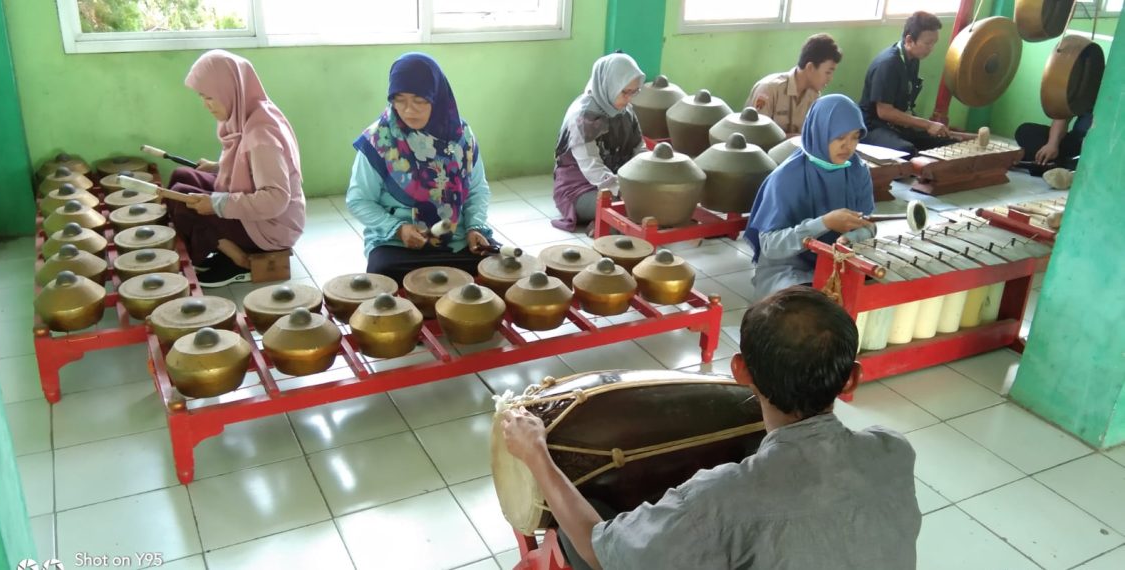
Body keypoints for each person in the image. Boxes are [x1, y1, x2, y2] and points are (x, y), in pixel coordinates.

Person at [501, 286, 922, 569]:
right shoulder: (894, 451)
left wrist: (536, 454)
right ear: (851, 379)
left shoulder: (714, 503)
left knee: (588, 529)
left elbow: (599, 550)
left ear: (740, 371)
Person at [345, 53, 495, 284]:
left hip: (456, 238)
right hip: (398, 245)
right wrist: (397, 228)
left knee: (496, 269)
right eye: (399, 99)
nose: (408, 110)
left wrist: (475, 227)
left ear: (437, 97)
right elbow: (358, 200)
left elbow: (477, 190)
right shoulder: (379, 141)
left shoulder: (461, 137)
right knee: (384, 275)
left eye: (420, 100)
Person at [169, 49, 306, 287]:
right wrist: (217, 167)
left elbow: (275, 199)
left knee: (184, 203)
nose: (205, 105)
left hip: (272, 228)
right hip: (264, 215)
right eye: (202, 97)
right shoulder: (253, 110)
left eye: (210, 97)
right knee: (181, 177)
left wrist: (216, 204)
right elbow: (251, 166)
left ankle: (237, 259)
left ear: (230, 90)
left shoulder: (262, 134)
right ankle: (220, 242)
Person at [745, 94, 875, 300]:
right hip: (788, 267)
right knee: (809, 304)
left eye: (855, 137)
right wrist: (824, 223)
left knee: (876, 291)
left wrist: (849, 239)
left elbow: (869, 225)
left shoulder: (857, 170)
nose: (848, 146)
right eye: (840, 137)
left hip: (838, 263)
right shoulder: (786, 177)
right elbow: (771, 247)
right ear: (819, 133)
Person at [552, 53, 648, 232]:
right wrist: (624, 190)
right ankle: (602, 224)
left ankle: (604, 223)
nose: (629, 99)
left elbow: (639, 147)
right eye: (625, 92)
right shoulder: (583, 116)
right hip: (579, 188)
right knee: (632, 210)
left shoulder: (626, 111)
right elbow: (591, 167)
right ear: (609, 85)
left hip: (618, 182)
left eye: (634, 92)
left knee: (648, 203)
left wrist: (645, 174)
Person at [859, 11, 955, 156]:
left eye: (934, 43)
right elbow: (884, 112)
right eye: (928, 43)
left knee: (947, 143)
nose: (931, 49)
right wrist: (927, 124)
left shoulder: (913, 58)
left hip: (896, 125)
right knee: (906, 151)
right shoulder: (888, 64)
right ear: (909, 40)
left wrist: (927, 127)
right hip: (873, 127)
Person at [746, 33, 843, 137]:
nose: (830, 78)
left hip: (794, 152)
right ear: (810, 67)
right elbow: (755, 135)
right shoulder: (769, 89)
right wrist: (795, 138)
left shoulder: (814, 96)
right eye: (828, 72)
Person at [1014, 114, 1091, 176]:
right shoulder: (1085, 95)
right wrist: (1052, 144)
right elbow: (1063, 116)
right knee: (1025, 131)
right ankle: (1058, 165)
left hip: (1093, 152)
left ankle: (1056, 166)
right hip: (1076, 144)